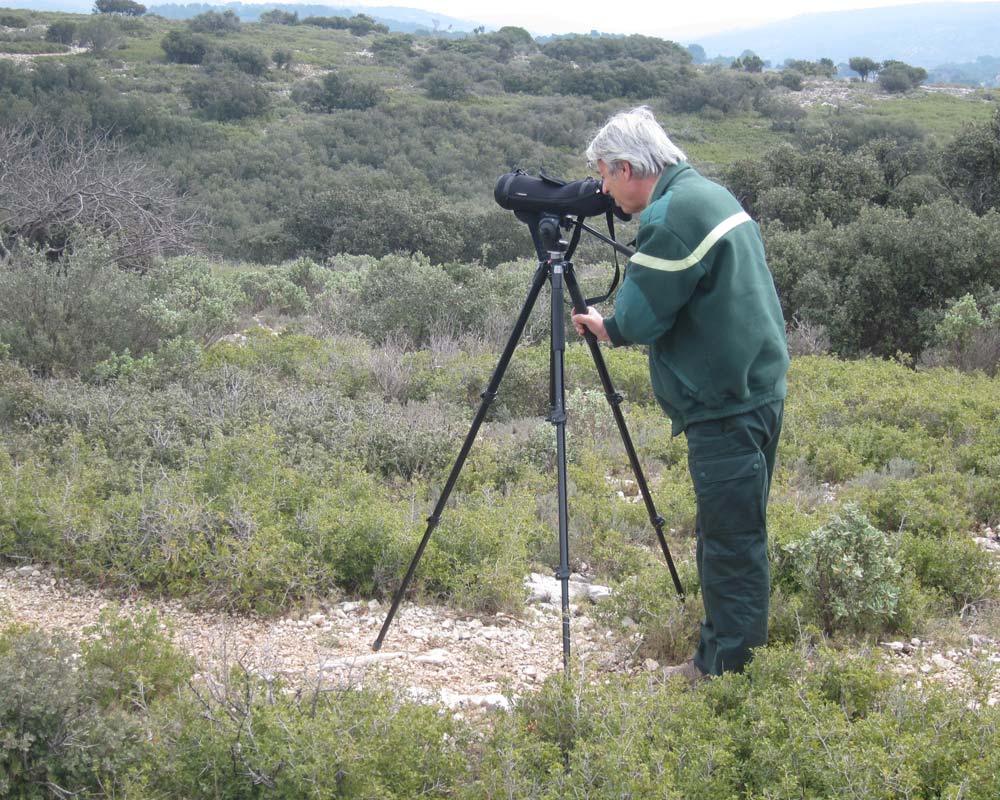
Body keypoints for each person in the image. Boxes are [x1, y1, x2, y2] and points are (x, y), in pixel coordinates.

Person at [571, 106, 789, 681]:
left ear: (626, 165)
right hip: (759, 391)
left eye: (604, 175)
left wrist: (607, 327)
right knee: (737, 532)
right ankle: (723, 655)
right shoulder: (708, 194)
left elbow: (640, 318)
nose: (602, 188)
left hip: (725, 405)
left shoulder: (670, 217)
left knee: (730, 542)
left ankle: (726, 676)